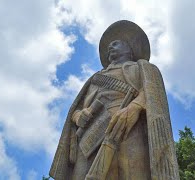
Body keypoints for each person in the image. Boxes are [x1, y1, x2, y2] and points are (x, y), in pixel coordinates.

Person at [50, 20, 180, 180]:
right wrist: (78, 116)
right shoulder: (95, 78)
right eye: (110, 45)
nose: (110, 47)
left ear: (129, 49)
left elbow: (153, 93)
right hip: (90, 136)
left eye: (116, 44)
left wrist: (135, 107)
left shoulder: (141, 68)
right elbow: (76, 109)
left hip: (127, 128)